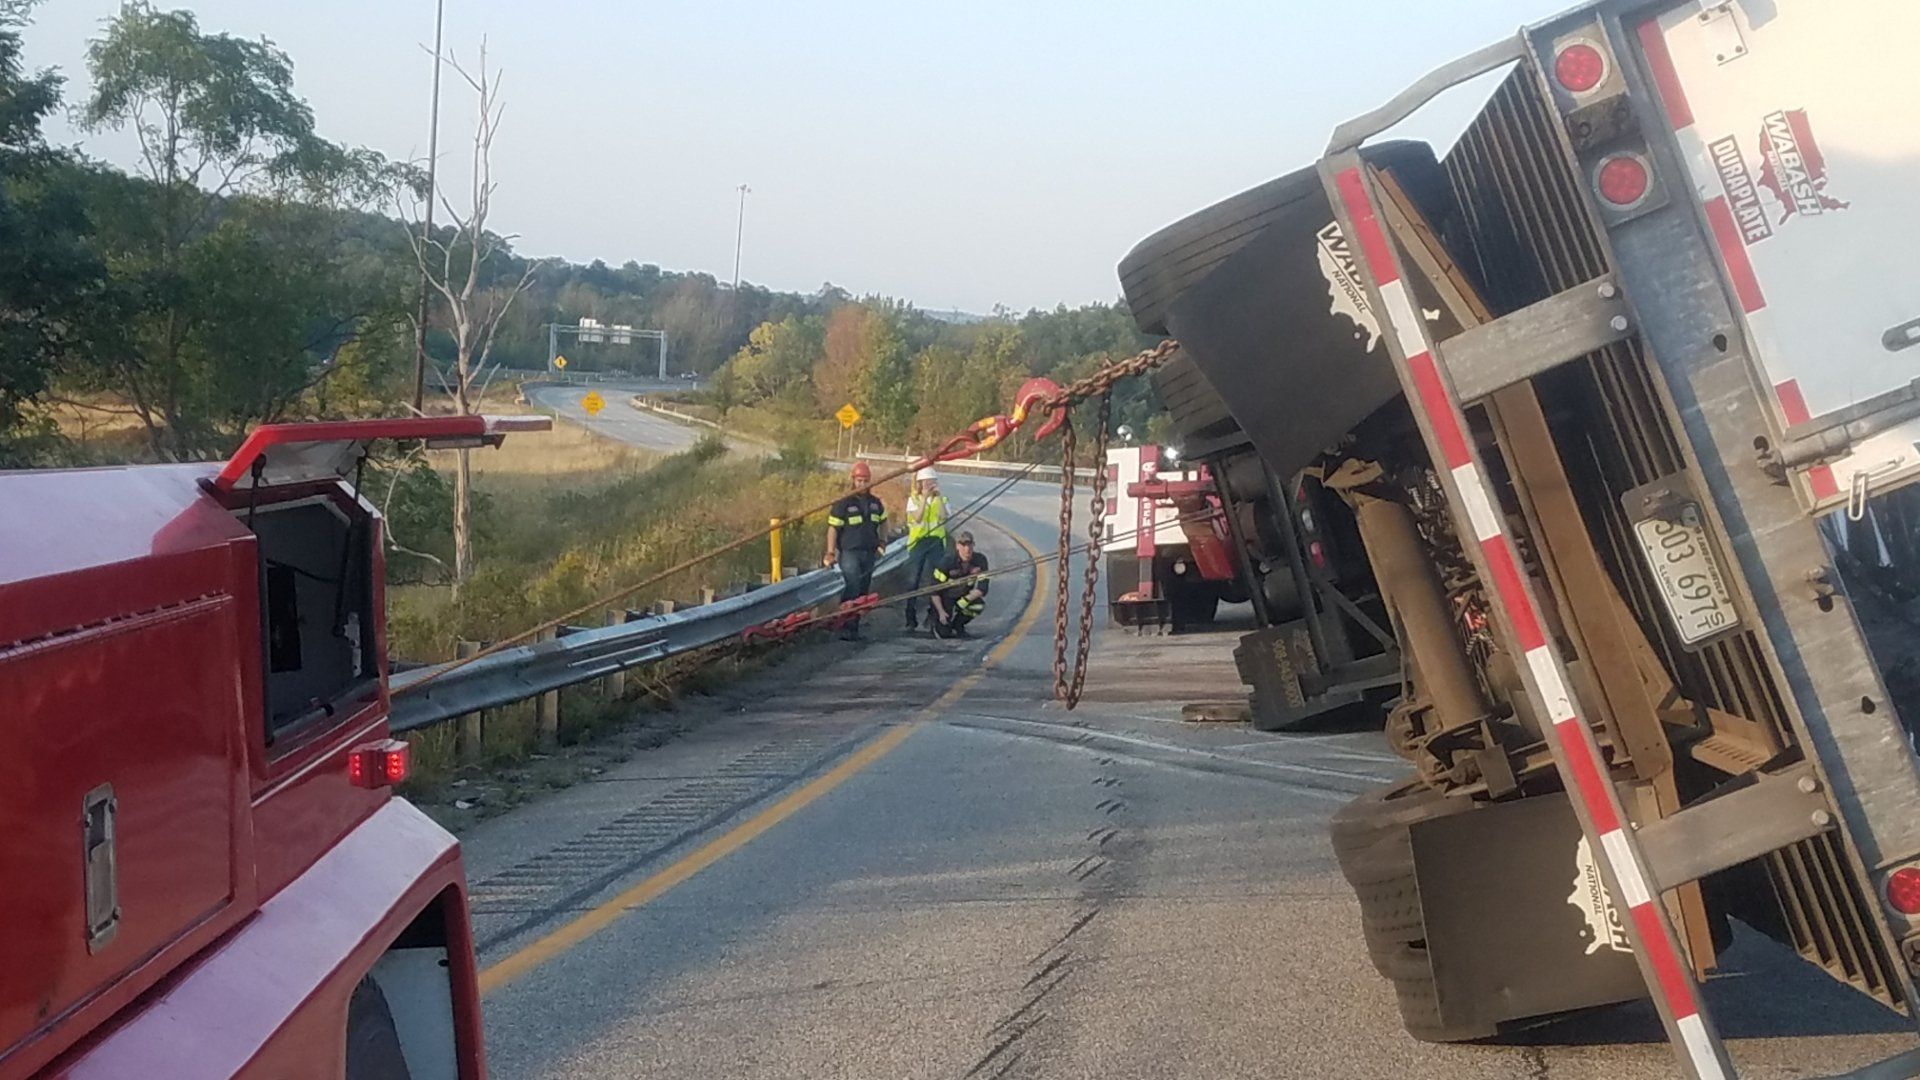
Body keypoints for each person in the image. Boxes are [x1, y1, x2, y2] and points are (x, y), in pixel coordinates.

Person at [824, 460, 888, 640]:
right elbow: (833, 528)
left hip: (869, 553)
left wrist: (883, 542)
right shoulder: (843, 503)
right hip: (850, 553)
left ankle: (854, 628)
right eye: (859, 480)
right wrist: (830, 552)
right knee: (852, 586)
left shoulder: (876, 503)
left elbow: (884, 523)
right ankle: (843, 625)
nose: (862, 484)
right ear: (853, 480)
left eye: (865, 480)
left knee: (863, 591)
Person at [903, 467, 950, 632]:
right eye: (927, 481)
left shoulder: (941, 499)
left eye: (933, 481)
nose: (930, 484)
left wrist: (938, 498)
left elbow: (944, 517)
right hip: (918, 543)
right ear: (920, 483)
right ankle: (910, 617)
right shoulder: (913, 500)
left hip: (936, 542)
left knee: (936, 579)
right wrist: (924, 499)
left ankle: (933, 615)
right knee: (913, 580)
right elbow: (917, 517)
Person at [930, 530, 990, 639]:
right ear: (957, 546)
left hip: (964, 596)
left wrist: (965, 600)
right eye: (963, 545)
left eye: (969, 545)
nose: (967, 549)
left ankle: (958, 625)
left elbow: (983, 588)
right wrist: (941, 611)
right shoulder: (947, 562)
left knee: (978, 605)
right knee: (944, 633)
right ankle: (936, 621)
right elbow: (934, 591)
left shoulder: (980, 561)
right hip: (945, 599)